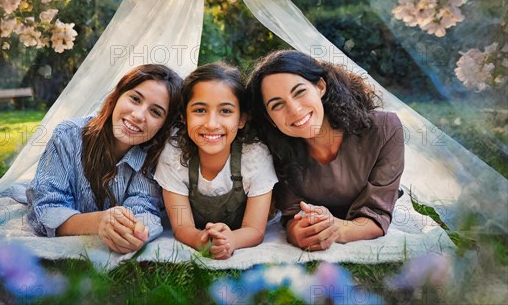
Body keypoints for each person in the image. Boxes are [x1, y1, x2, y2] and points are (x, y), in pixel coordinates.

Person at [245, 50, 405, 251]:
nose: (294, 109)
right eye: (277, 105)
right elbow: (292, 214)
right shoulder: (274, 149)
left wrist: (336, 228)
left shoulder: (385, 129)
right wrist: (299, 233)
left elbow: (377, 215)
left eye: (299, 92)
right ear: (270, 120)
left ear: (320, 86)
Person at [26, 64, 183, 254]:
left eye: (155, 112)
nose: (138, 115)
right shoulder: (68, 136)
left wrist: (135, 233)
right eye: (135, 99)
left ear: (164, 126)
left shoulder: (153, 155)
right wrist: (99, 222)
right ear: (117, 96)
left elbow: (143, 208)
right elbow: (47, 210)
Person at [155, 63, 278, 260]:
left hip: (240, 231)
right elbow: (182, 225)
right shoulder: (173, 155)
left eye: (226, 111)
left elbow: (254, 228)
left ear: (241, 119)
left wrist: (232, 240)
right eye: (200, 110)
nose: (211, 124)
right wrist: (200, 239)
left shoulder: (255, 156)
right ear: (184, 116)